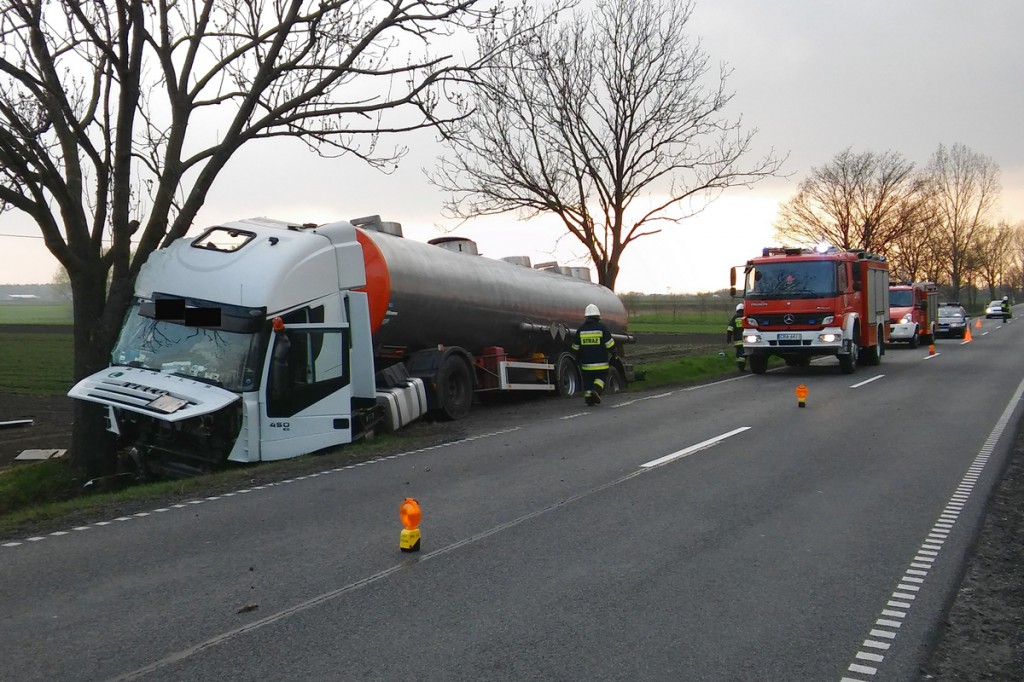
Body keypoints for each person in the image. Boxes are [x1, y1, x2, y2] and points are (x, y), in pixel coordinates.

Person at [572, 303, 615, 406]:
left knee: (587, 380)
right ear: (598, 317)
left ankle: (589, 399)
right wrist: (614, 353)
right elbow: (610, 345)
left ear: (586, 317)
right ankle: (596, 390)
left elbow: (575, 348)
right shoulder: (602, 328)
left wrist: (577, 358)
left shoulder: (580, 330)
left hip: (586, 364)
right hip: (601, 363)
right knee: (601, 376)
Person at [726, 302, 746, 370]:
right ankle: (742, 366)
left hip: (737, 340)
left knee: (739, 353)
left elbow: (730, 328)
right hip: (747, 340)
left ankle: (740, 366)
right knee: (744, 353)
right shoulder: (746, 316)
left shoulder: (734, 317)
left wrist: (728, 338)